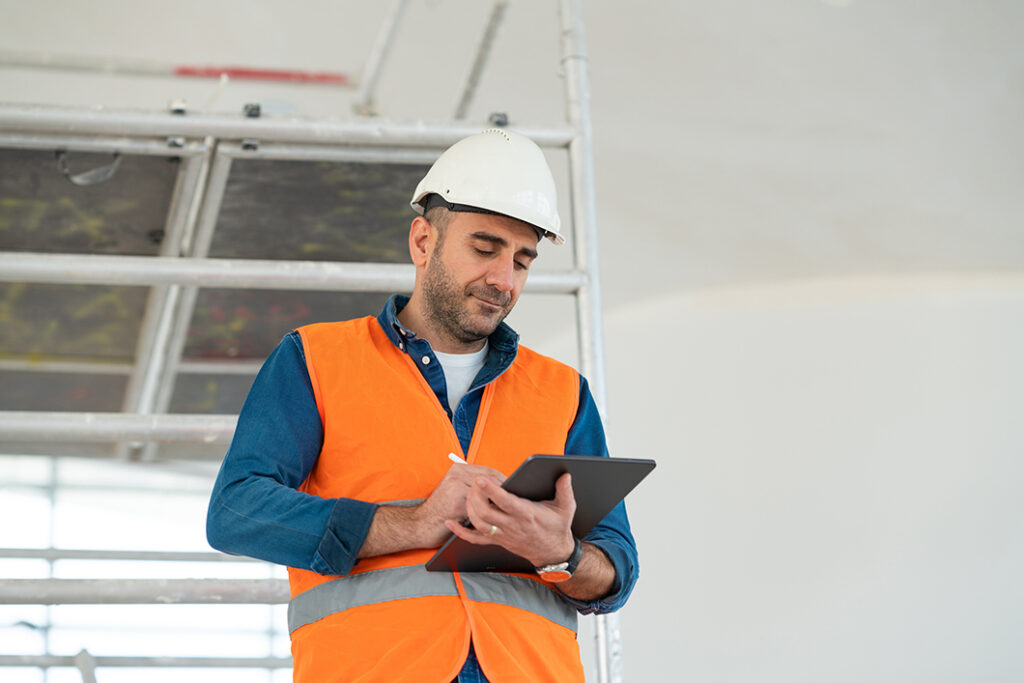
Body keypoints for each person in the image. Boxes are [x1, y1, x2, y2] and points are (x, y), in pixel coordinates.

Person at [206, 129, 639, 682]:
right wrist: (413, 524)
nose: (503, 280)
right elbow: (236, 512)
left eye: (522, 261)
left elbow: (615, 570)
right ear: (422, 242)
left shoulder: (563, 391)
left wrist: (561, 555)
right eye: (484, 249)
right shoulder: (315, 359)